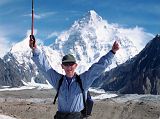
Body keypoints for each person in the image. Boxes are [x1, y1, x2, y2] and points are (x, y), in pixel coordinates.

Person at [29, 35, 119, 119]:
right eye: (66, 64)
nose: (69, 67)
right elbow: (45, 67)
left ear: (76, 65)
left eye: (71, 64)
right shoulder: (58, 81)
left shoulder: (83, 81)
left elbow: (98, 68)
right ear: (62, 66)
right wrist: (35, 49)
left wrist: (112, 52)